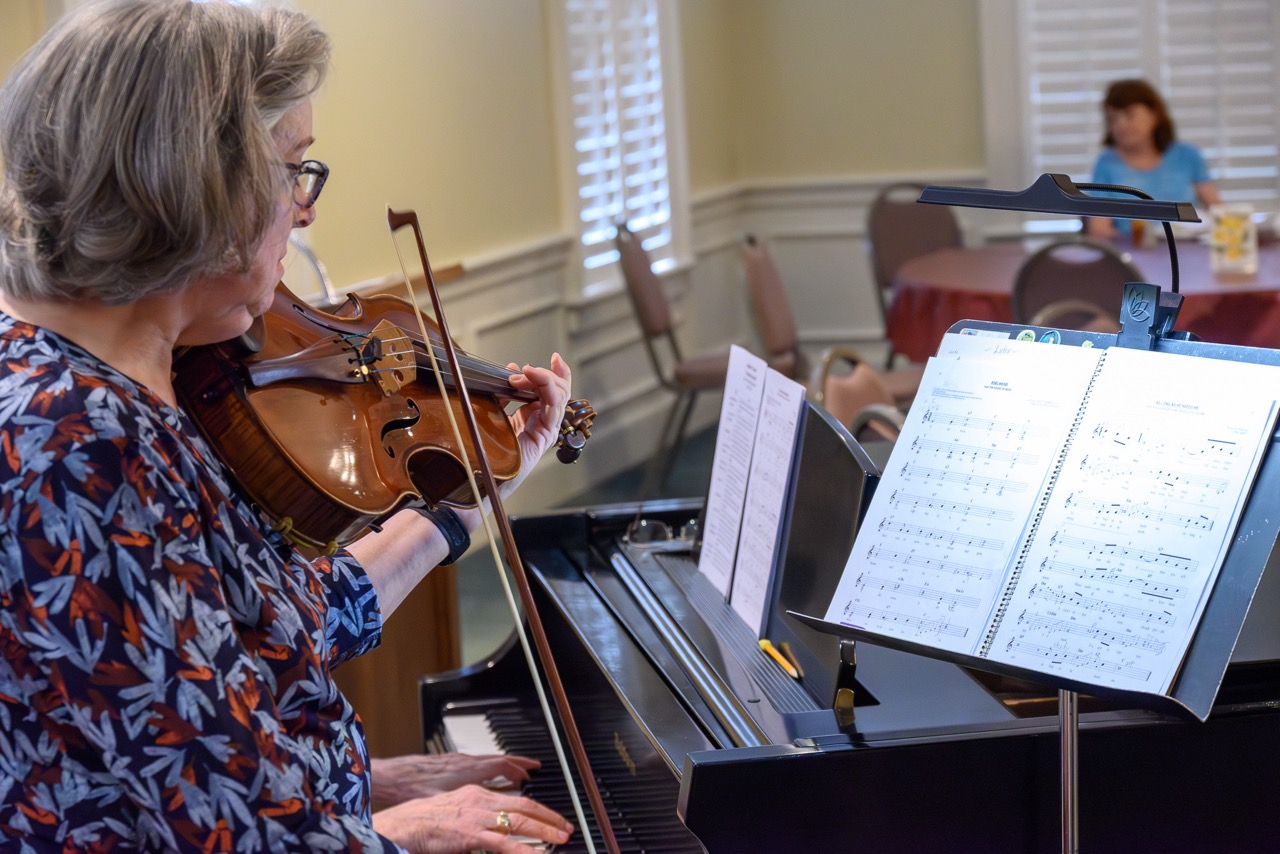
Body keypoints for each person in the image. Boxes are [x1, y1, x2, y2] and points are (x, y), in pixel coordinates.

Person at [0, 1, 575, 851]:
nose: (302, 212)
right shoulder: (76, 436)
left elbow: (272, 627)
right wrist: (388, 830)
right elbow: (233, 832)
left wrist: (467, 497)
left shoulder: (123, 382)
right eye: (293, 169)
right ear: (194, 183)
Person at [1084, 78, 1221, 240]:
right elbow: (1099, 231)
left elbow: (1218, 211)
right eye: (1113, 119)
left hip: (1190, 251)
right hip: (1136, 254)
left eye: (1129, 115)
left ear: (1154, 115)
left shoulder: (1187, 155)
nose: (1121, 125)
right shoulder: (1107, 164)